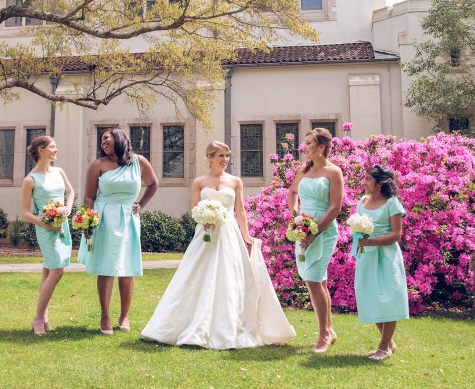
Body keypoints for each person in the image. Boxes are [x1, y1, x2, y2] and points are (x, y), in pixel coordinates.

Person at [141, 141, 295, 349]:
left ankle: (228, 327)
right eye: (221, 156)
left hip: (228, 233)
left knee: (228, 277)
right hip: (205, 234)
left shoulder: (235, 181)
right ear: (210, 158)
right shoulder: (198, 182)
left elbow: (240, 210)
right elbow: (195, 209)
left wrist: (247, 235)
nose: (225, 160)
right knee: (196, 276)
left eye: (227, 156)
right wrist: (204, 220)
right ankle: (184, 324)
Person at [78, 128, 158, 335]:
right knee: (106, 267)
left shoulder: (138, 162)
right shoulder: (98, 165)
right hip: (104, 217)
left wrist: (141, 204)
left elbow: (153, 183)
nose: (103, 142)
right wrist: (89, 221)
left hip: (128, 218)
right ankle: (105, 316)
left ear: (119, 138)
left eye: (107, 138)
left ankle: (124, 316)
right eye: (101, 139)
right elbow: (88, 196)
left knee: (127, 266)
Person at [287, 128, 344, 354]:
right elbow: (292, 192)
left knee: (313, 279)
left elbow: (336, 207)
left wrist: (315, 232)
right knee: (318, 281)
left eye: (309, 143)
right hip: (303, 228)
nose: (305, 146)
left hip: (325, 229)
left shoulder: (334, 172)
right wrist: (295, 216)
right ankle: (329, 330)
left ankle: (323, 336)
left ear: (321, 147)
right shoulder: (305, 169)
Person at [352, 164, 408, 361]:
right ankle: (389, 342)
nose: (364, 182)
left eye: (368, 179)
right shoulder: (362, 201)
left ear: (380, 183)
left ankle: (383, 347)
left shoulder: (392, 203)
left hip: (386, 256)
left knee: (387, 298)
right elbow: (358, 228)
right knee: (369, 296)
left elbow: (396, 235)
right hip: (366, 255)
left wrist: (373, 241)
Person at [20, 135, 75, 335]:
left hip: (63, 227)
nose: (56, 150)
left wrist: (67, 209)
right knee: (57, 271)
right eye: (52, 147)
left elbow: (70, 192)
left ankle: (44, 318)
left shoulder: (59, 172)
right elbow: (25, 212)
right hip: (45, 230)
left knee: (48, 271)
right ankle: (37, 318)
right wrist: (46, 224)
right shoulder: (30, 180)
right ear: (41, 150)